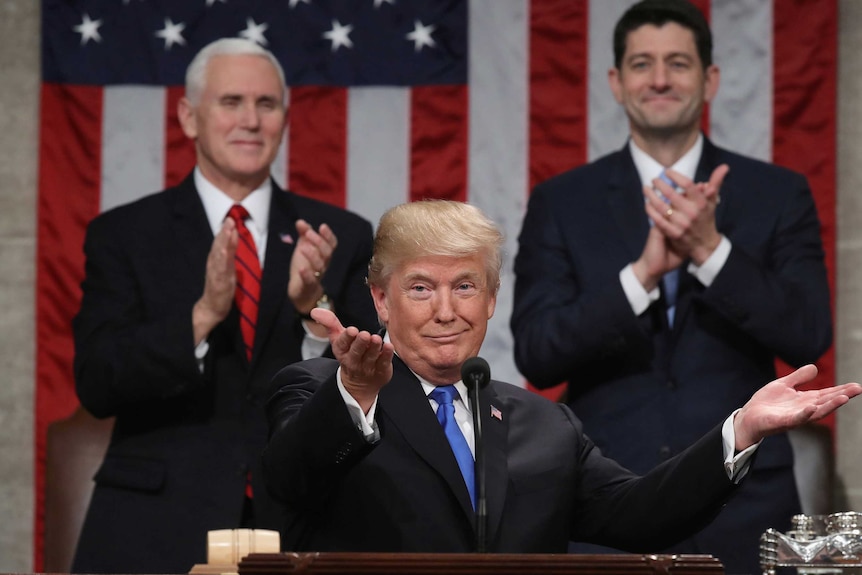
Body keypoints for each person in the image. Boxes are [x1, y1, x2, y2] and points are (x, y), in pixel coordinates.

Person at [262, 200, 857, 559]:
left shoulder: (544, 424)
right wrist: (356, 393)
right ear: (381, 300)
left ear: (492, 299)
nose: (446, 310)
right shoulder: (321, 390)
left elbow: (641, 514)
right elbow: (287, 482)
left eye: (465, 286)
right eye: (421, 288)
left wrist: (743, 429)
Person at [510, 1, 833, 573]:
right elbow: (539, 352)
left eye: (678, 63)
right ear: (616, 82)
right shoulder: (562, 202)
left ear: (709, 80)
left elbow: (808, 335)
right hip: (602, 504)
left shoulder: (776, 193)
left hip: (745, 502)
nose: (659, 78)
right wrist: (642, 276)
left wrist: (711, 250)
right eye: (642, 63)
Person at [71, 38, 378, 574]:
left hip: (301, 521)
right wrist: (202, 316)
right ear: (189, 117)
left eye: (267, 104)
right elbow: (97, 381)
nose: (251, 121)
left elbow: (371, 387)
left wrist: (314, 306)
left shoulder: (341, 236)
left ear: (284, 117)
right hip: (156, 526)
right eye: (231, 102)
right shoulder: (124, 235)